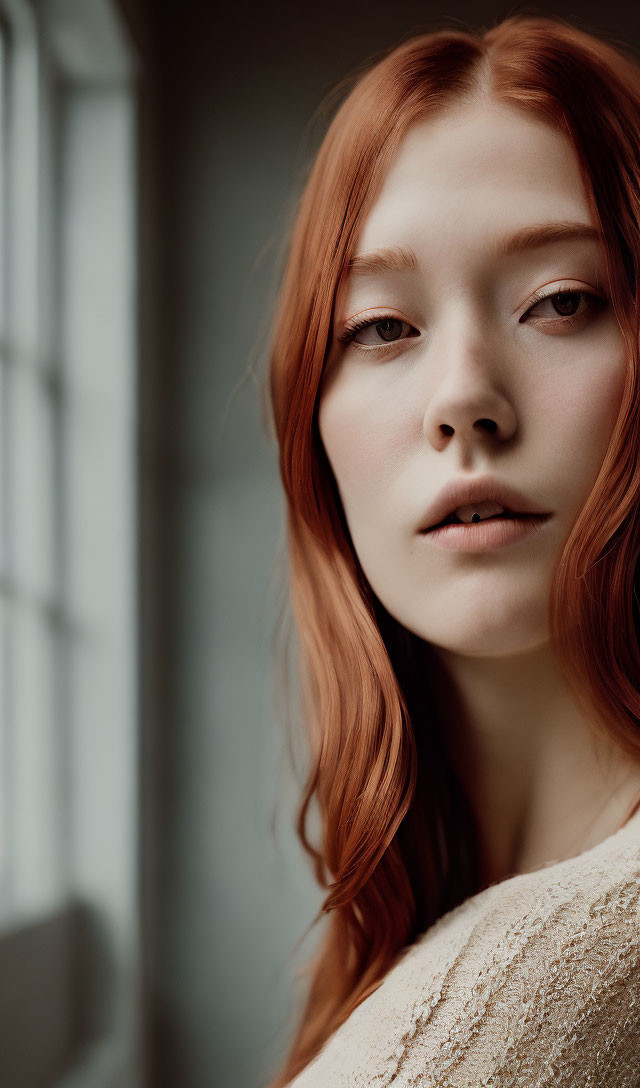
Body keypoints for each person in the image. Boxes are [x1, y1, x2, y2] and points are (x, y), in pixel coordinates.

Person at [265, 13, 640, 1087]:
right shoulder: (416, 934)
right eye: (381, 326)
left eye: (561, 302)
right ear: (310, 424)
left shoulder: (570, 970)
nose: (464, 398)